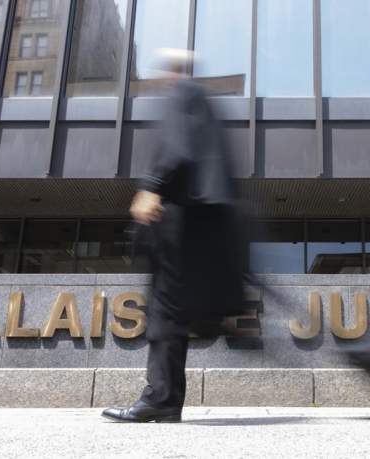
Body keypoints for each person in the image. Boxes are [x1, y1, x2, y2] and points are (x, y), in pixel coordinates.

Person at [102, 49, 245, 423]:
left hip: (179, 222)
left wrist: (151, 186)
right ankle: (163, 399)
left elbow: (178, 149)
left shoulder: (183, 94)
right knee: (170, 312)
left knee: (164, 311)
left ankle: (161, 399)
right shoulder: (203, 100)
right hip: (199, 224)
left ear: (171, 72)